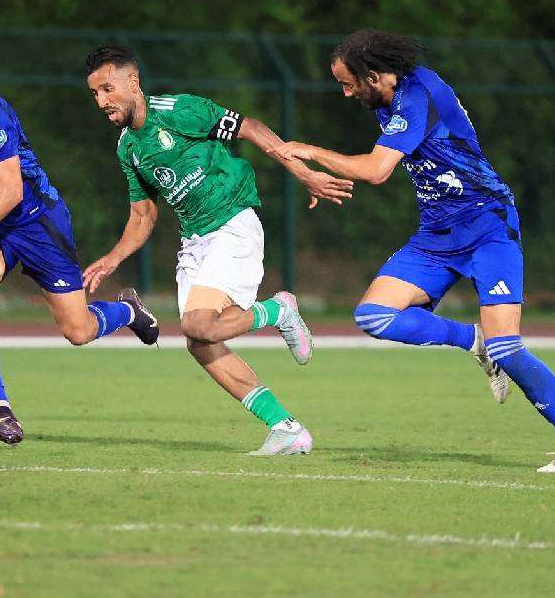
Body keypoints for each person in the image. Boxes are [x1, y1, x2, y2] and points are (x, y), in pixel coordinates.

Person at [281, 29, 555, 473]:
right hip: (436, 235)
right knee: (374, 315)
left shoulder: (416, 96)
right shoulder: (388, 98)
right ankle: (475, 341)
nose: (344, 92)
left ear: (374, 76)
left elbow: (375, 171)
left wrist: (310, 151)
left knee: (510, 348)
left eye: (347, 82)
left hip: (487, 225)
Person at [82, 45, 354, 456]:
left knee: (198, 325)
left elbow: (252, 128)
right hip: (195, 242)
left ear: (132, 82)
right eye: (95, 94)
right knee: (201, 343)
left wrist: (302, 171)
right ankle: (286, 428)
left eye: (107, 89)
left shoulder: (178, 110)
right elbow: (142, 216)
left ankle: (278, 310)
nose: (102, 101)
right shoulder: (127, 148)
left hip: (231, 222)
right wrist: (113, 257)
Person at [0, 40, 159, 445]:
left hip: (36, 219)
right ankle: (0, 410)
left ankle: (126, 310)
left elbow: (12, 191)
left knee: (78, 330)